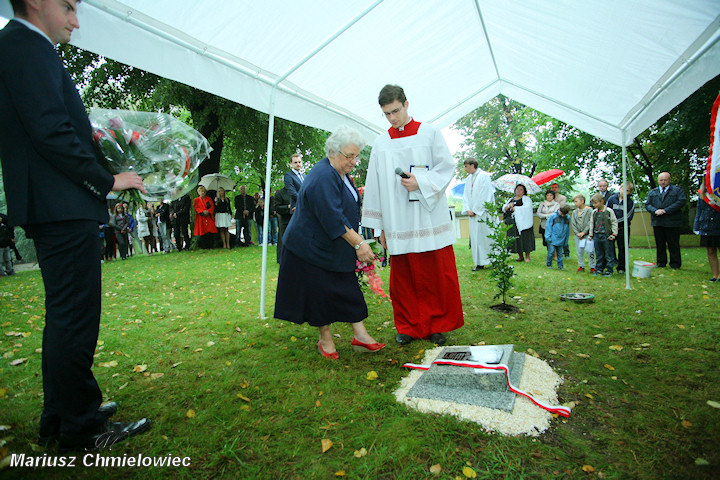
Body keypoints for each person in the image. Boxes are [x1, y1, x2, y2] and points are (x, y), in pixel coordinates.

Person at [0, 0, 150, 450]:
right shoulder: (26, 46)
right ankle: (79, 425)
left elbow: (52, 125)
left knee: (66, 315)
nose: (75, 20)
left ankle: (62, 415)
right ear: (36, 3)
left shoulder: (19, 46)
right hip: (60, 204)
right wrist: (108, 180)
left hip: (54, 202)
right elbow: (50, 130)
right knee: (75, 317)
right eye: (68, 6)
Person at [361, 84, 463, 346]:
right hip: (398, 220)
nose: (393, 118)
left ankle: (436, 326)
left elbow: (446, 167)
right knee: (404, 278)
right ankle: (407, 326)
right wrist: (379, 228)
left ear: (407, 104)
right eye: (387, 114)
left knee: (434, 273)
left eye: (395, 111)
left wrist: (421, 182)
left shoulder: (429, 133)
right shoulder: (381, 143)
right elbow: (373, 186)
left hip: (427, 217)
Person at [275, 125, 385, 359]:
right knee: (318, 293)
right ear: (333, 152)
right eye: (350, 156)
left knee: (347, 287)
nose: (354, 161)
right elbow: (333, 217)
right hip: (308, 248)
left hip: (331, 244)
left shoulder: (341, 172)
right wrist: (359, 244)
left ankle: (360, 336)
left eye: (356, 156)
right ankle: (325, 340)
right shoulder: (323, 175)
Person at [645, 172, 687, 269]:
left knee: (673, 243)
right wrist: (655, 211)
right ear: (658, 180)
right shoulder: (653, 192)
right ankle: (661, 262)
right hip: (658, 222)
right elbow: (647, 205)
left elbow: (681, 201)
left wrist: (665, 211)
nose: (663, 182)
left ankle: (675, 263)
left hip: (672, 222)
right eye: (661, 180)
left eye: (665, 180)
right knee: (660, 243)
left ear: (669, 180)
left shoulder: (677, 190)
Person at [461, 157, 495, 271]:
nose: (465, 169)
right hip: (473, 215)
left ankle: (494, 259)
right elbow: (466, 195)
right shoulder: (468, 179)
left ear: (472, 165)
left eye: (466, 166)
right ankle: (479, 262)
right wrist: (468, 209)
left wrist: (476, 209)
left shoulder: (484, 176)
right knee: (476, 239)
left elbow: (485, 194)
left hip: (483, 213)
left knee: (486, 237)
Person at [693, 179, 720, 281]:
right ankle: (715, 275)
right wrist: (697, 226)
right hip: (706, 225)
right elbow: (699, 210)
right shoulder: (702, 194)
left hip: (718, 223)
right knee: (710, 250)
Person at [606, 182, 634, 273]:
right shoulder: (611, 199)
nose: (625, 192)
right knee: (610, 247)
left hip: (623, 228)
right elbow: (607, 211)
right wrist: (612, 224)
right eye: (623, 189)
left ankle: (621, 267)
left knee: (623, 248)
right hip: (611, 228)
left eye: (627, 191)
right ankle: (611, 264)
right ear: (620, 189)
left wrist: (617, 224)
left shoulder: (630, 202)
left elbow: (629, 216)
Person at [503, 184, 535, 262]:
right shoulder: (511, 199)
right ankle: (520, 256)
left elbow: (527, 208)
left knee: (525, 238)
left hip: (524, 223)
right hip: (513, 223)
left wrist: (516, 209)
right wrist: (508, 206)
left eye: (521, 190)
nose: (519, 191)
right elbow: (504, 208)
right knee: (516, 239)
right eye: (517, 189)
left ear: (524, 191)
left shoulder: (526, 199)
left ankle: (527, 256)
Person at [589, 193, 618, 276]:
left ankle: (609, 270)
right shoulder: (594, 212)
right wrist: (591, 234)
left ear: (602, 201)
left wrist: (614, 233)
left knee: (609, 254)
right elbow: (591, 223)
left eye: (595, 203)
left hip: (607, 235)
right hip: (597, 235)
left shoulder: (609, 211)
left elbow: (614, 222)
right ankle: (599, 269)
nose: (594, 205)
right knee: (598, 254)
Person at [570, 194, 595, 273]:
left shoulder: (589, 210)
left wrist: (584, 232)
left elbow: (590, 222)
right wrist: (577, 233)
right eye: (574, 202)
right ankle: (581, 265)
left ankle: (592, 266)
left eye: (576, 201)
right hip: (578, 235)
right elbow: (573, 223)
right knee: (579, 250)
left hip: (587, 234)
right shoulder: (574, 212)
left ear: (582, 201)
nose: (575, 203)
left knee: (590, 250)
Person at [544, 205, 571, 270]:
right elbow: (548, 227)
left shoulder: (567, 218)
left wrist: (566, 240)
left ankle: (560, 266)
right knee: (551, 252)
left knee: (560, 253)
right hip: (552, 238)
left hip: (562, 238)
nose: (563, 215)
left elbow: (567, 230)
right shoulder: (553, 217)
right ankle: (549, 264)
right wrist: (548, 237)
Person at [274, 186, 294, 262]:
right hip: (285, 220)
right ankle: (281, 258)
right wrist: (287, 207)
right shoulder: (280, 193)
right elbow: (277, 208)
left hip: (296, 219)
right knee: (283, 240)